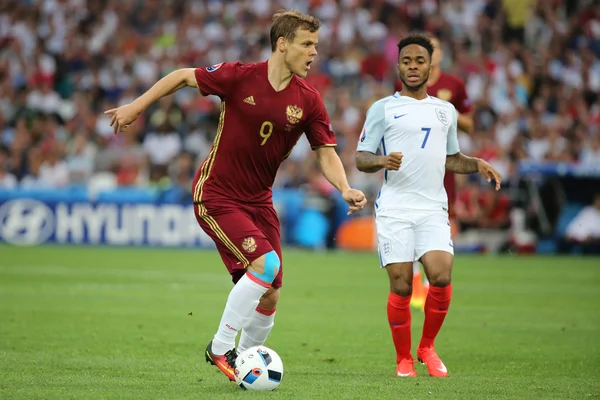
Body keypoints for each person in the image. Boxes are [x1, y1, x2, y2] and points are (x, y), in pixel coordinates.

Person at [105, 10, 367, 382]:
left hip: (259, 201)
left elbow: (325, 151)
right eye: (307, 44)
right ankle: (220, 347)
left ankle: (245, 363)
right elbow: (182, 76)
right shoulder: (240, 76)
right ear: (282, 44)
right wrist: (135, 106)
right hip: (217, 193)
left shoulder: (308, 100)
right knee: (267, 266)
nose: (314, 53)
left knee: (271, 294)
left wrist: (344, 187)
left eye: (316, 46)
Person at [355, 33, 501, 378]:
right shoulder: (383, 108)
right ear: (399, 66)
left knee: (441, 275)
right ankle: (403, 358)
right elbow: (361, 158)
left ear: (430, 65)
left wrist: (476, 163)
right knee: (402, 285)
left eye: (419, 61)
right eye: (406, 61)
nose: (413, 67)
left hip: (433, 207)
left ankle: (427, 347)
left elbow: (450, 158)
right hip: (395, 209)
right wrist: (381, 162)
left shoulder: (445, 110)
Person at [394, 34, 474, 311]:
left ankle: (430, 281)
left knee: (440, 219)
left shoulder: (454, 85)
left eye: (435, 49)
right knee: (409, 219)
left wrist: (446, 111)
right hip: (411, 163)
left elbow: (470, 124)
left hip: (442, 165)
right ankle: (416, 278)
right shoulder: (407, 81)